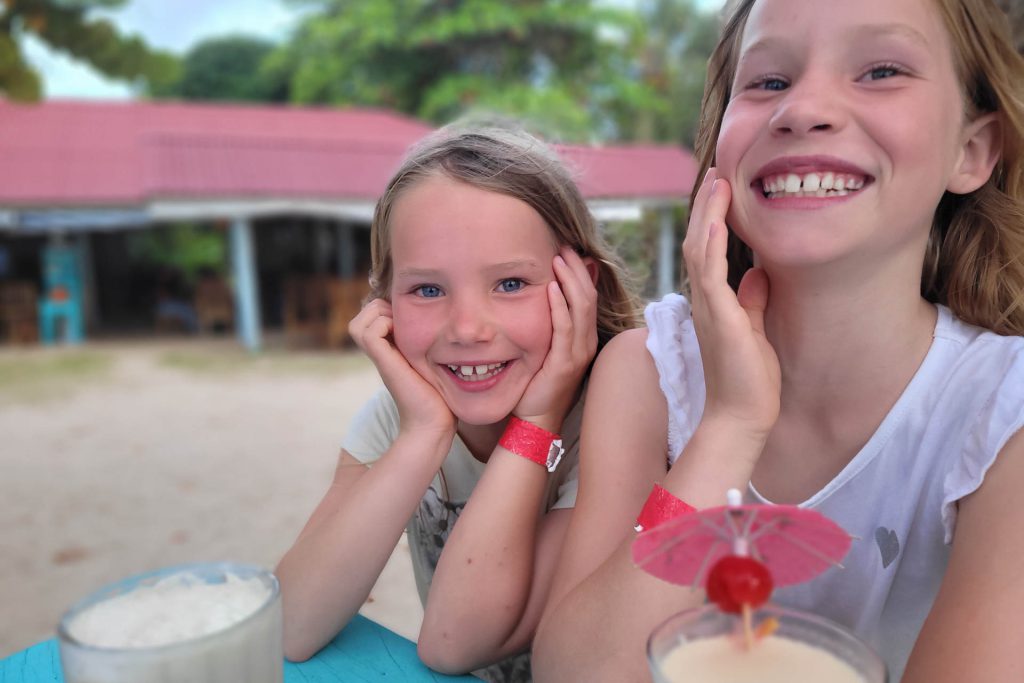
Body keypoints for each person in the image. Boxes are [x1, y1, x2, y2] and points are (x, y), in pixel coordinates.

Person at [532, 0, 1024, 681]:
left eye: (881, 69)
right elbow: (576, 671)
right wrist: (730, 427)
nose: (803, 108)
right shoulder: (649, 370)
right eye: (767, 81)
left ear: (971, 151)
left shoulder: (1004, 417)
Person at [275, 122, 642, 681]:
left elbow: (452, 640)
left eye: (511, 283)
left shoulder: (612, 418)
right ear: (385, 302)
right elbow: (288, 621)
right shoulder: (396, 418)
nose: (468, 329)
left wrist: (540, 418)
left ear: (579, 287)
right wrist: (422, 435)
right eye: (427, 289)